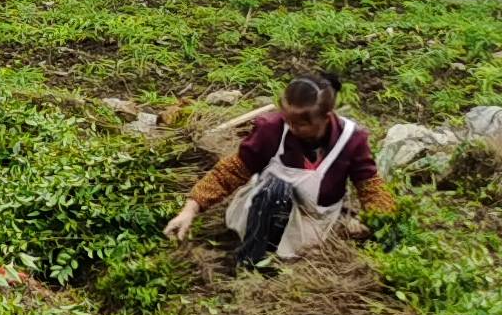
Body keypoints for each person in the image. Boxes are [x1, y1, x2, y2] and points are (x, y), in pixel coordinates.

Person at [166, 75, 396, 271]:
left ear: (326, 117)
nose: (293, 128)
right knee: (276, 188)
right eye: (288, 120)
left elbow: (370, 188)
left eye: (301, 124)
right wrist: (190, 209)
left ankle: (281, 259)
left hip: (311, 223)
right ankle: (250, 260)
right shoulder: (272, 129)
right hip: (259, 211)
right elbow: (232, 170)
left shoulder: (351, 140)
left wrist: (387, 229)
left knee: (285, 203)